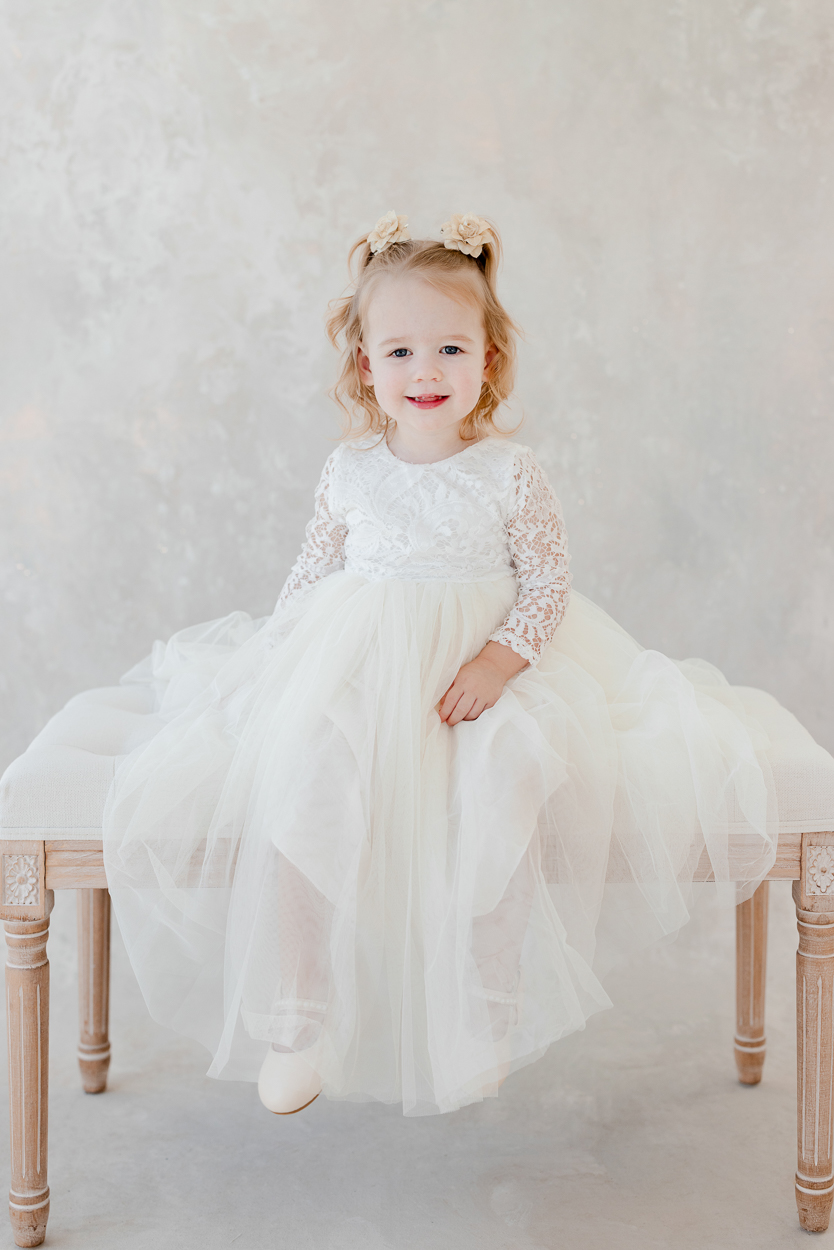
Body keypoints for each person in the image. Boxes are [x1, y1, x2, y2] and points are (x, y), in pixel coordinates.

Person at [103, 211, 778, 1118]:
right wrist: (281, 662)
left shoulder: (509, 471)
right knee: (305, 775)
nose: (427, 371)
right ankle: (298, 1013)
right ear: (365, 366)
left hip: (480, 672)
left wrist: (499, 664)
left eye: (452, 349)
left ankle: (483, 1008)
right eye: (402, 352)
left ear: (490, 363)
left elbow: (548, 584)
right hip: (363, 668)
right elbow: (311, 576)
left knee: (512, 773)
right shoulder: (349, 470)